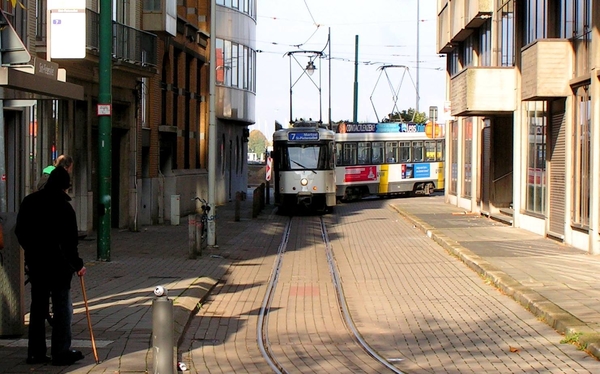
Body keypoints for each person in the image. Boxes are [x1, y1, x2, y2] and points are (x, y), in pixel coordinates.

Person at [16, 166, 87, 366]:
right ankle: (61, 351)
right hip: (59, 266)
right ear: (65, 187)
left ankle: (35, 353)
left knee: (38, 307)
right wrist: (77, 264)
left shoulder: (30, 202)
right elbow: (69, 242)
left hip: (37, 263)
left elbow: (20, 231)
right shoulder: (64, 208)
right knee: (61, 307)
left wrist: (30, 251)